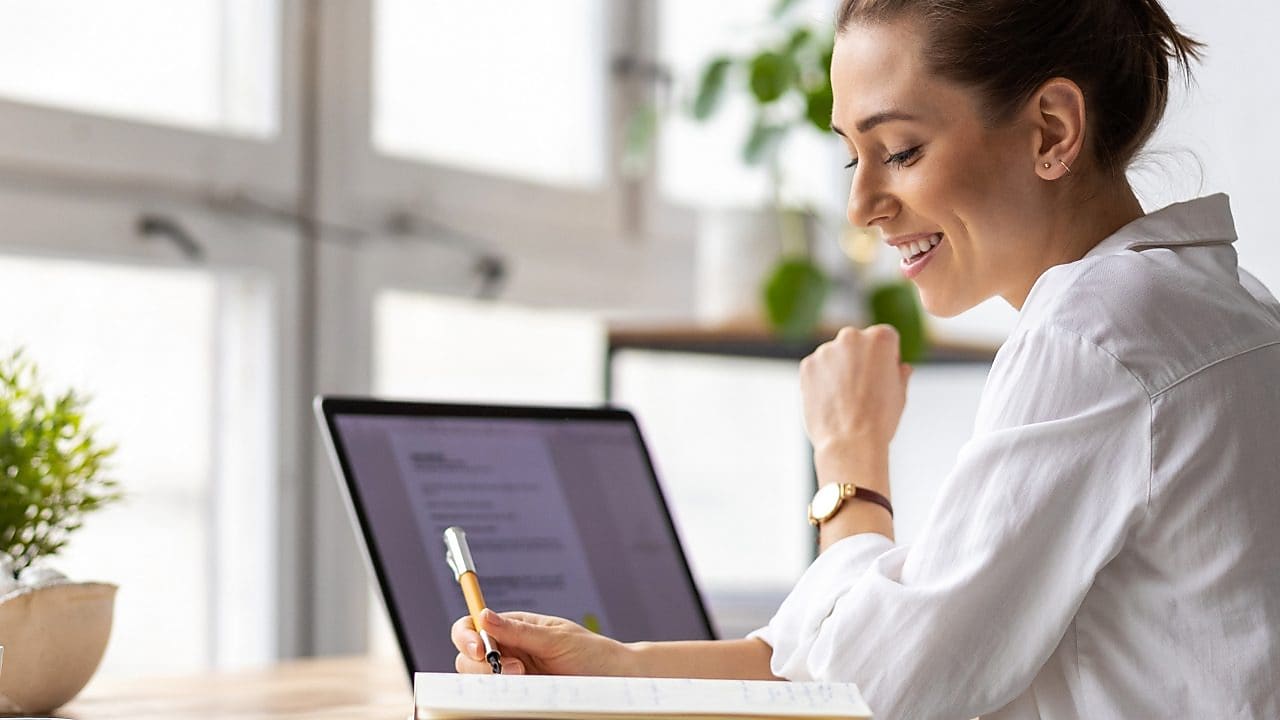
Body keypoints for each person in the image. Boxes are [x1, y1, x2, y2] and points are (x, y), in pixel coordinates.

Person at [452, 0, 1280, 717]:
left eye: (902, 151)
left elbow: (874, 687)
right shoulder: (1215, 309)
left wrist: (850, 466)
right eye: (854, 153)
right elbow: (862, 641)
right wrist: (620, 670)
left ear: (1052, 130)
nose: (862, 204)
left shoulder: (1096, 337)